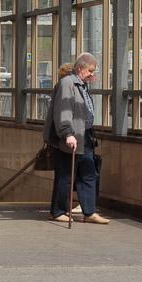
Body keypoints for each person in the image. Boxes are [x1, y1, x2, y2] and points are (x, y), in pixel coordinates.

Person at [42, 52, 108, 224]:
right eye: (91, 71)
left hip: (84, 136)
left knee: (89, 173)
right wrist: (67, 133)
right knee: (65, 176)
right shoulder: (67, 84)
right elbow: (63, 111)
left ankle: (89, 212)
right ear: (80, 68)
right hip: (69, 137)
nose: (93, 75)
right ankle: (56, 211)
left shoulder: (81, 84)